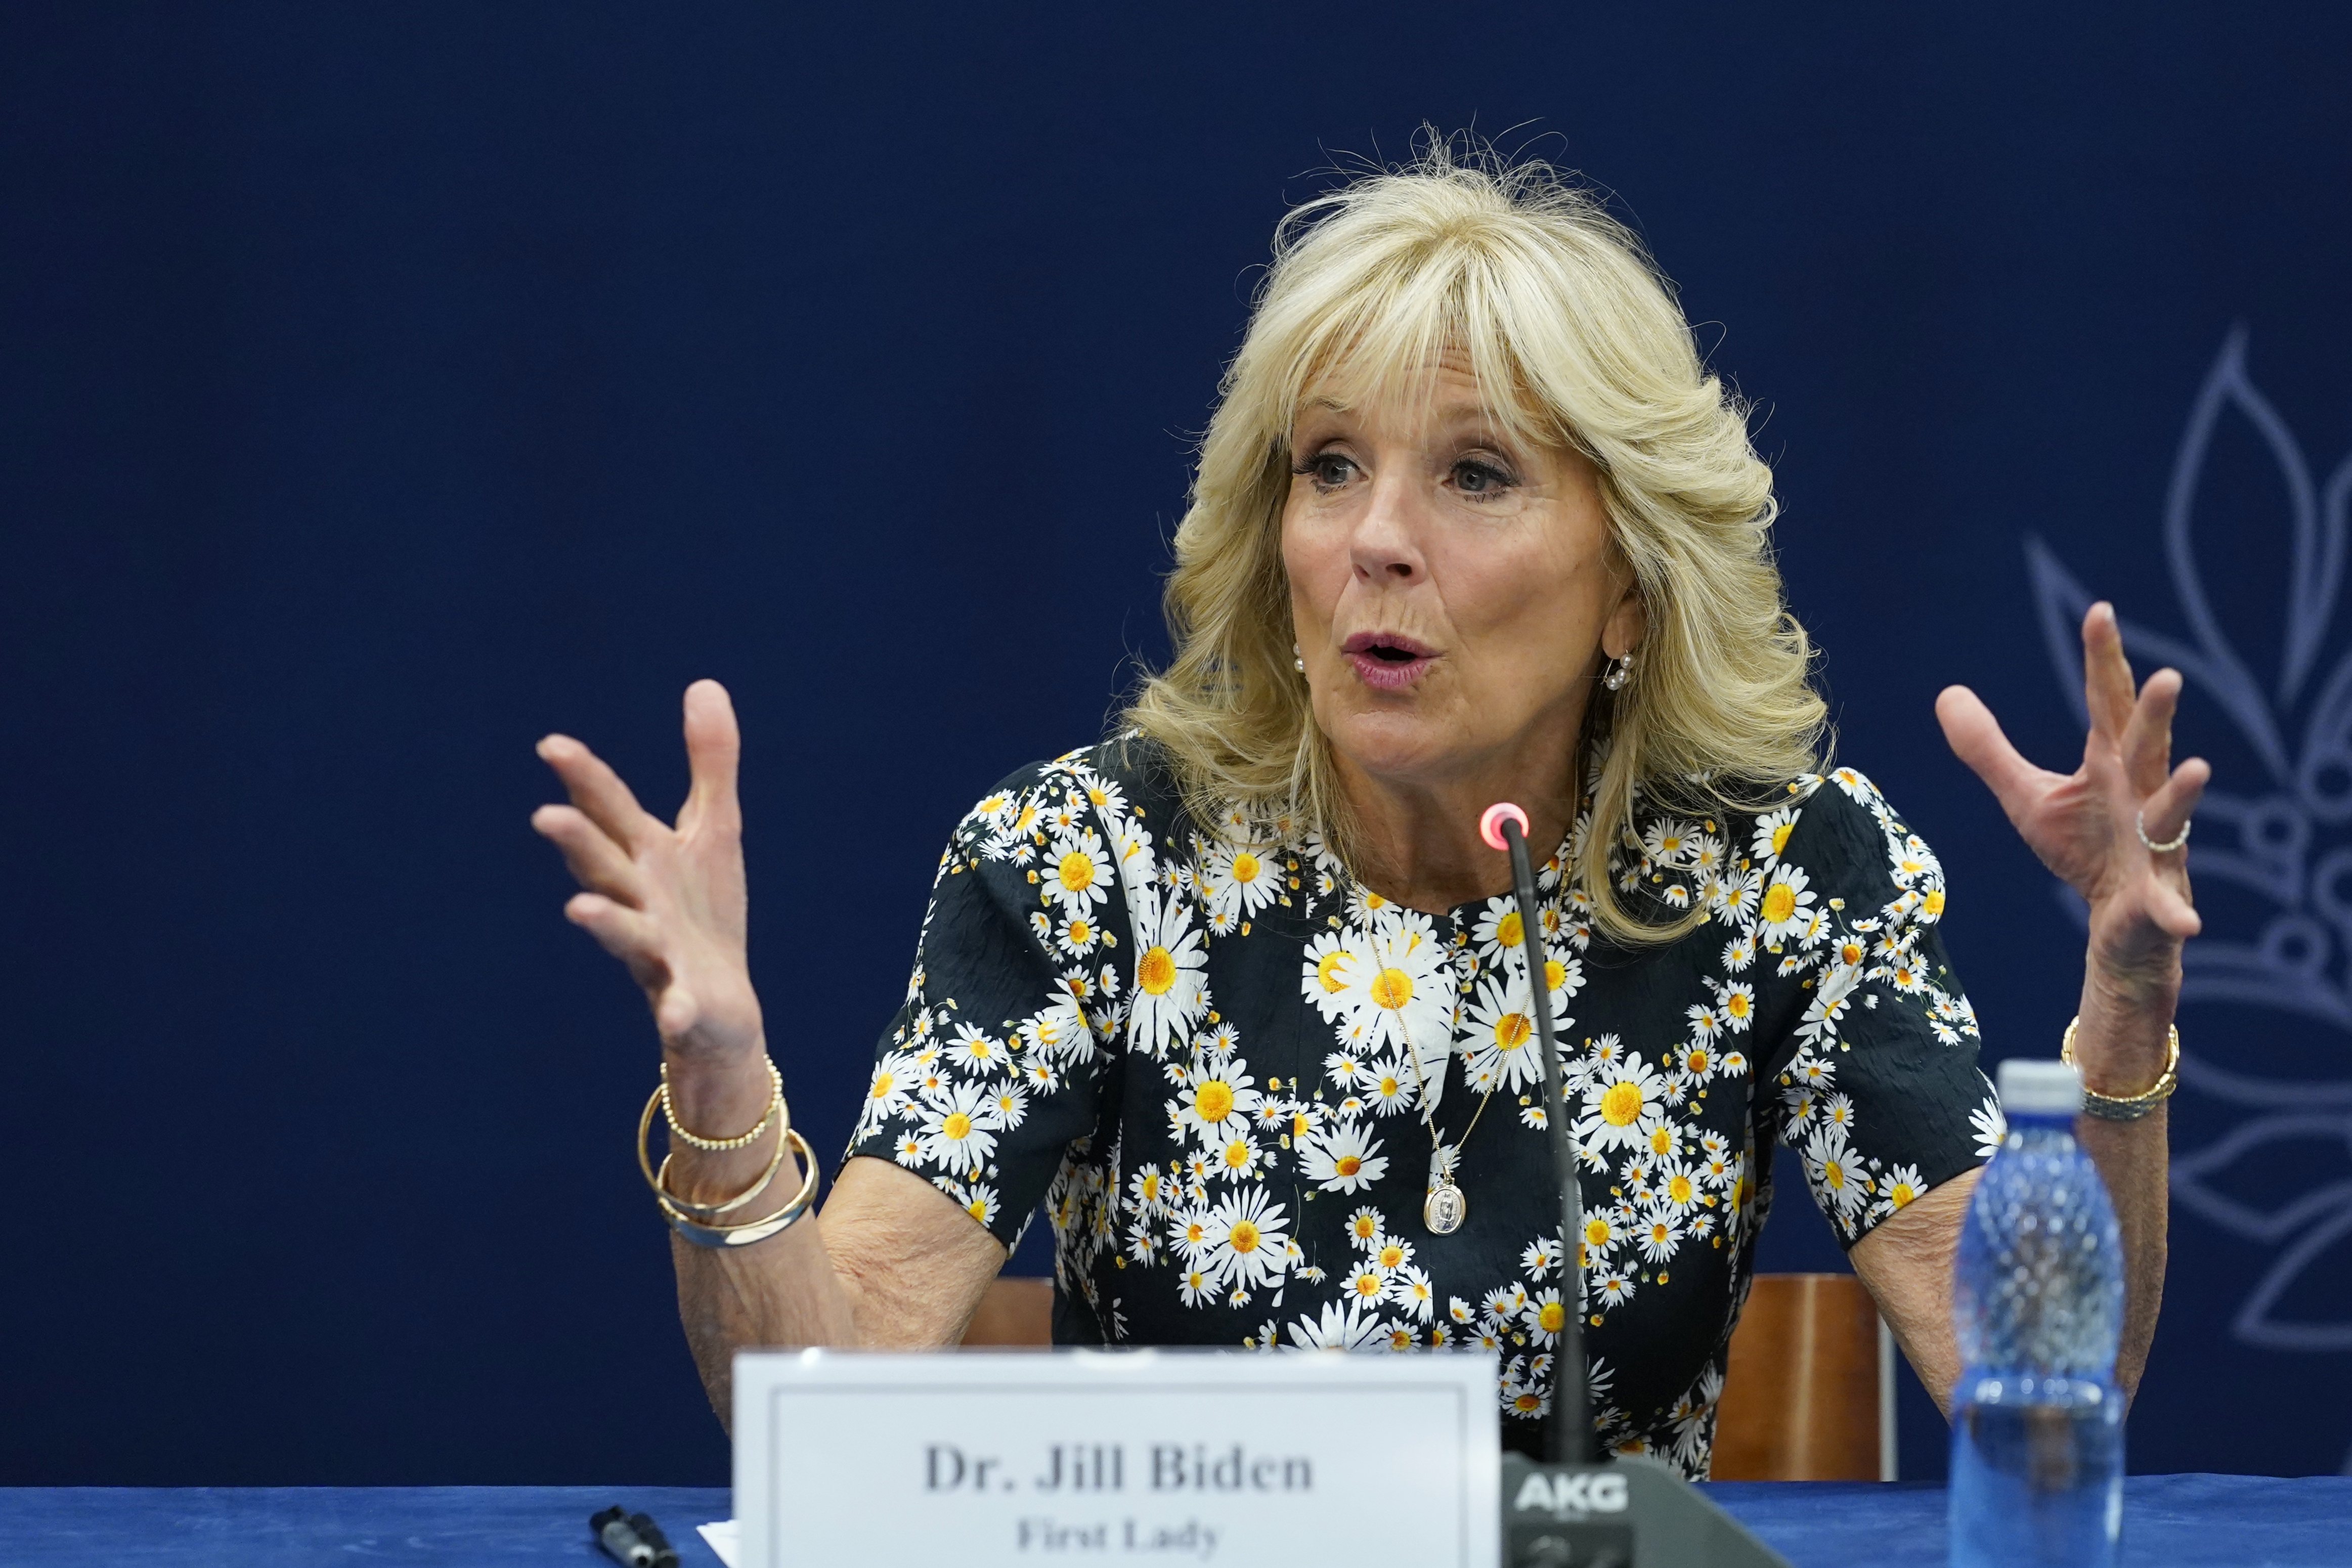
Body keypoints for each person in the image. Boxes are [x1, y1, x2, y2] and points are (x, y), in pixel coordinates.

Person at [531, 147, 2202, 1475]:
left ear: (1631, 584)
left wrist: (2123, 1007)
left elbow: (2038, 1407)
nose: (1373, 541)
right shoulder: (1086, 864)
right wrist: (724, 1075)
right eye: (1328, 466)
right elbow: (821, 1415)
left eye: (1473, 476)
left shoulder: (1782, 869)